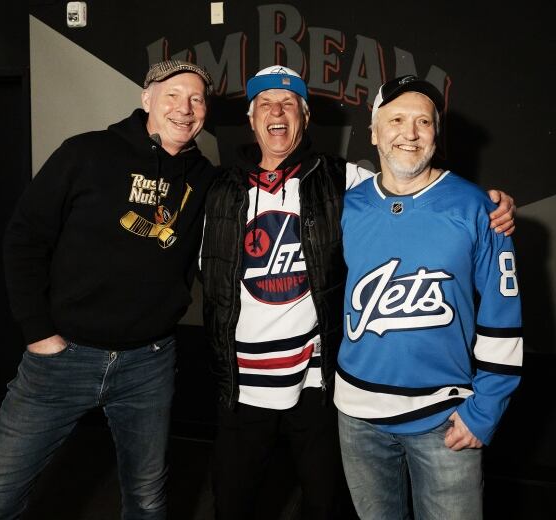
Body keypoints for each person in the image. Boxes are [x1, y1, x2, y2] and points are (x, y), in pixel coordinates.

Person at [200, 66, 516, 520]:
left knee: (324, 503)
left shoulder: (343, 182)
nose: (277, 112)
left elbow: (410, 185)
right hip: (243, 384)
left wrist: (493, 207)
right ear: (250, 120)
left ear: (305, 117)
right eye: (266, 104)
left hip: (315, 384)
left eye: (289, 103)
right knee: (232, 502)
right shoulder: (218, 189)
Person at [0, 60, 216, 520]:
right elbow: (24, 239)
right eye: (173, 94)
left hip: (148, 362)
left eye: (196, 99)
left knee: (148, 501)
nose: (185, 107)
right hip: (62, 359)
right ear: (147, 99)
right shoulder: (87, 153)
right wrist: (39, 333)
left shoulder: (203, 178)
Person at [335, 75, 523, 519]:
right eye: (396, 119)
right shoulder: (349, 204)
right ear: (375, 132)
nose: (410, 132)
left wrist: (486, 409)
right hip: (357, 418)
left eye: (423, 121)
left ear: (436, 134)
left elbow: (504, 317)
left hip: (445, 420)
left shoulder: (479, 209)